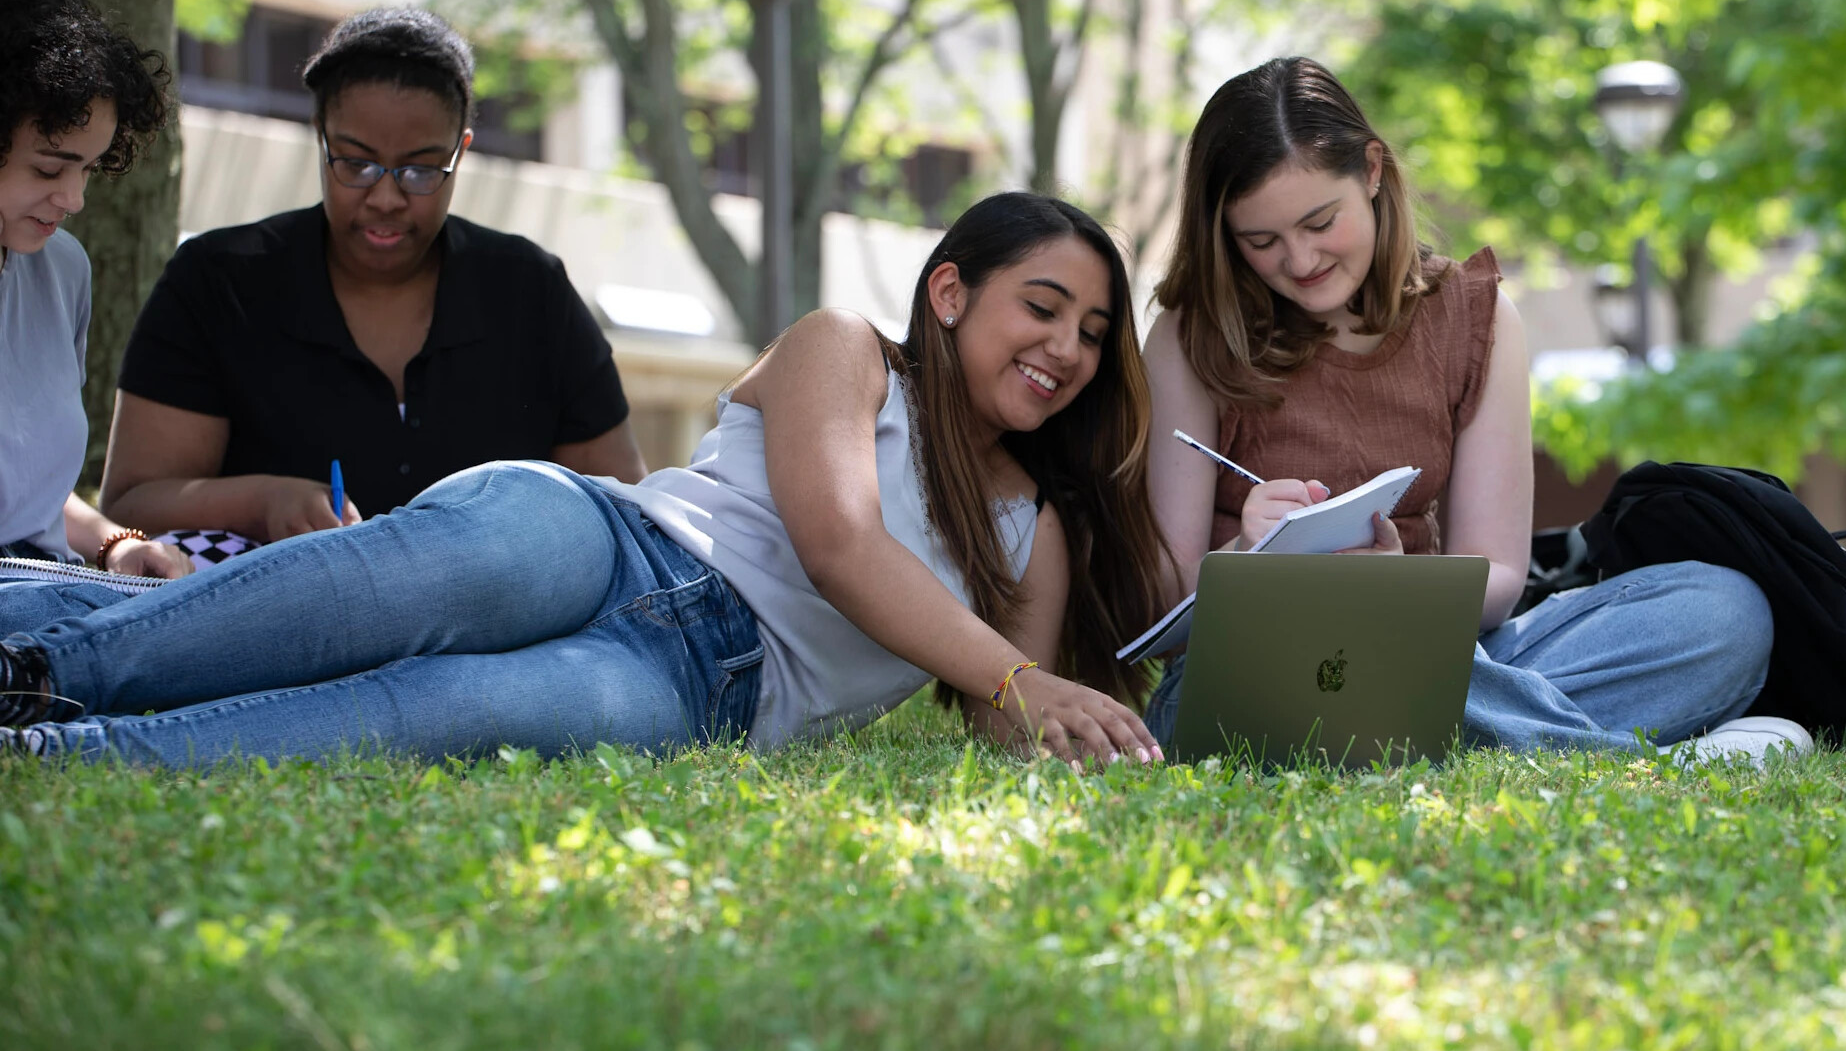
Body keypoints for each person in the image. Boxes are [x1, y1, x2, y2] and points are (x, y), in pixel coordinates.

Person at [0, 191, 1173, 770]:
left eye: (1093, 331)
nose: (1066, 348)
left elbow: (996, 715)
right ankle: (42, 672)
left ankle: (54, 755)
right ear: (953, 292)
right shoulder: (847, 351)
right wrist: (1023, 676)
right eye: (1045, 308)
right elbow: (839, 542)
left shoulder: (1034, 529)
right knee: (372, 597)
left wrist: (1065, 721)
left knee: (446, 711)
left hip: (706, 690)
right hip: (609, 538)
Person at [1140, 56, 1810, 761]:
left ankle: (1451, 728)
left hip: (1448, 652)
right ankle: (1637, 761)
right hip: (1262, 667)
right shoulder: (1193, 335)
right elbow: (1162, 606)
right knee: (1229, 700)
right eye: (1261, 242)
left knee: (1726, 611)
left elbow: (1495, 577)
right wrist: (1249, 557)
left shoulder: (1475, 316)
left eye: (1319, 222)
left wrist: (1396, 587)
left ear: (1372, 172)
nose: (1299, 260)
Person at [96, 8, 643, 561]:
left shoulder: (531, 291)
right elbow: (131, 505)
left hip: (496, 632)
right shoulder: (220, 281)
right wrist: (264, 499)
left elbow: (622, 509)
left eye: (422, 170)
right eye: (356, 164)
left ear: (462, 149)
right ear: (321, 137)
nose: (385, 198)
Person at [0, 0, 191, 628]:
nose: (75, 198)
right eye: (50, 168)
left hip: (52, 592)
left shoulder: (62, 268)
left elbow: (30, 497)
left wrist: (117, 542)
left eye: (88, 168)